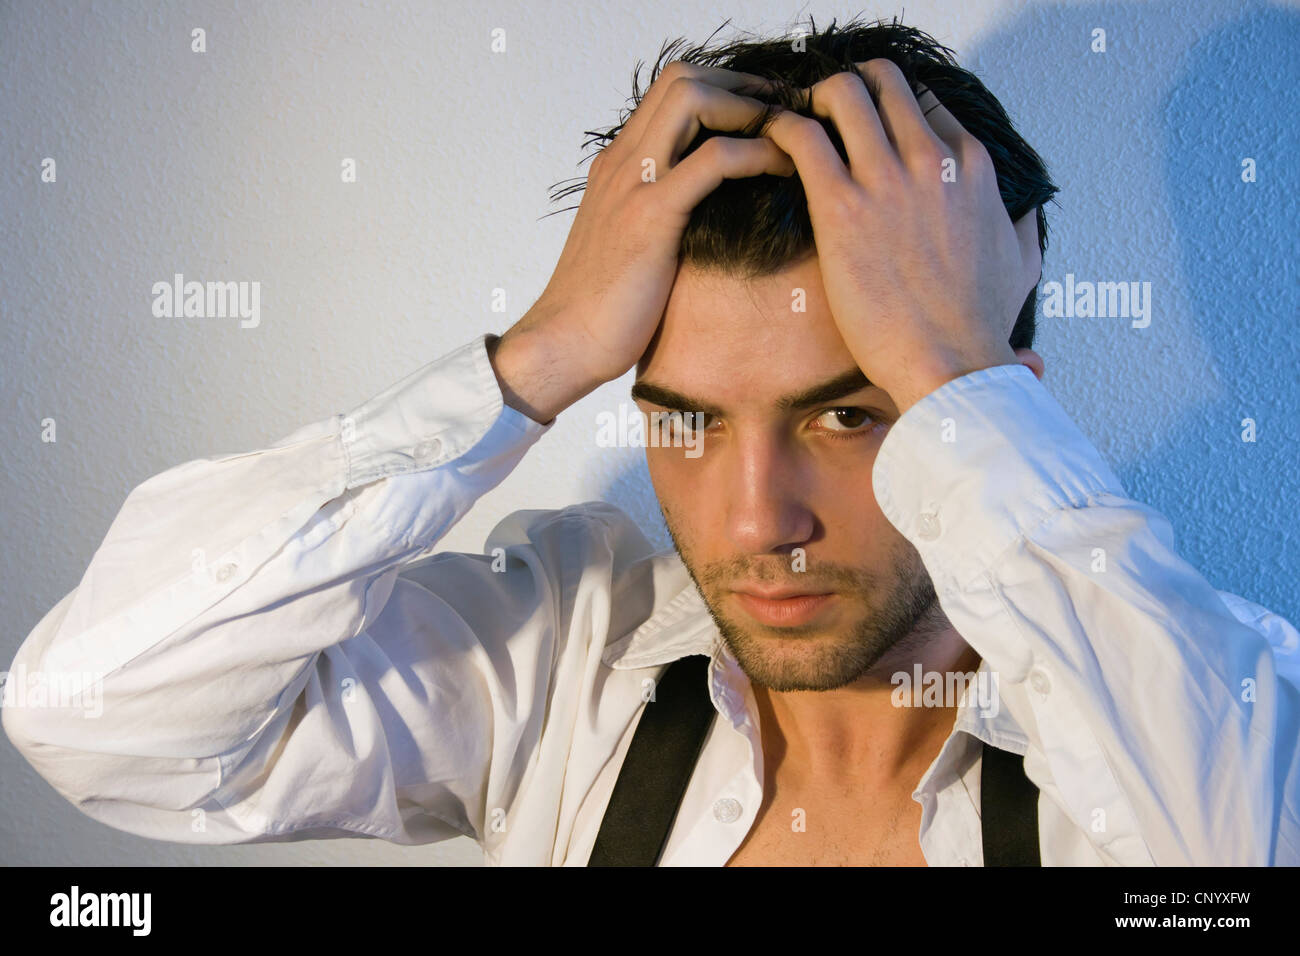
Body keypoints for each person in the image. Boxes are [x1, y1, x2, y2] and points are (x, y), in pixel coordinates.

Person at [4, 16, 1298, 866]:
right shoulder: (570, 669)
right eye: (684, 419)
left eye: (848, 413)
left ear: (984, 408)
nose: (754, 521)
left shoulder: (1162, 740)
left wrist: (949, 371)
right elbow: (96, 713)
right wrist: (538, 359)